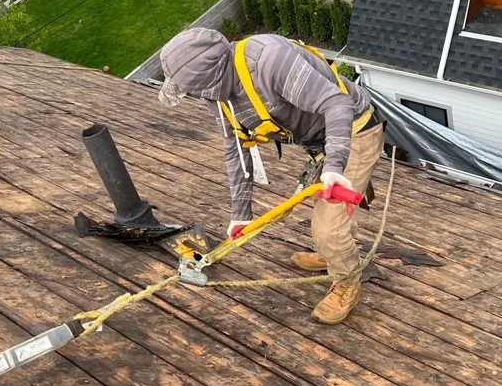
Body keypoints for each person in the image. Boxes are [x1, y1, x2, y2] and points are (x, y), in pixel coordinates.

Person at [158, 28, 383, 324]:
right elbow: (235, 145)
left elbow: (337, 104)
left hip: (353, 131)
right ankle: (335, 256)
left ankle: (348, 282)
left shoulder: (269, 60)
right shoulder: (219, 95)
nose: (194, 97)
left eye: (193, 91)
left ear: (210, 79)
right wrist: (241, 214)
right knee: (327, 225)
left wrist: (334, 166)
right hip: (320, 142)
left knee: (328, 227)